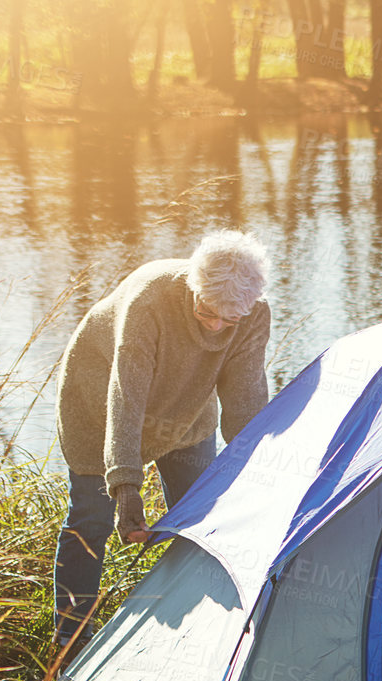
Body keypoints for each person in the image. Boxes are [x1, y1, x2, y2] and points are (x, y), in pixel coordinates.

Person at [53, 230, 272, 649]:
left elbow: (245, 405)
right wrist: (126, 486)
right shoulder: (149, 304)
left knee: (201, 521)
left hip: (186, 411)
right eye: (208, 312)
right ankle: (70, 642)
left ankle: (198, 635)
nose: (217, 326)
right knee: (90, 521)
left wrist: (259, 478)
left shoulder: (251, 314)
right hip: (100, 402)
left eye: (231, 320)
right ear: (194, 286)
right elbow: (126, 399)